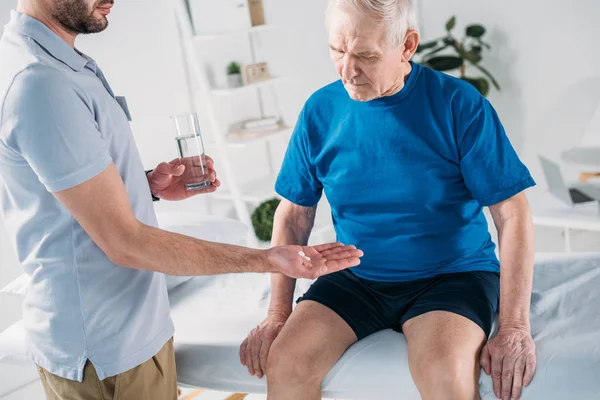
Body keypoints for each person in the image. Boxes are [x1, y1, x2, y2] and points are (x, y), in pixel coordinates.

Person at [0, 1, 364, 399]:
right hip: (104, 348)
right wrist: (264, 259)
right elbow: (125, 242)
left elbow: (69, 191)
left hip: (130, 328)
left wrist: (148, 186)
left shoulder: (62, 64)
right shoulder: (42, 82)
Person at [240, 1, 537, 399]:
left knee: (444, 374)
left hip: (452, 276)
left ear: (407, 46)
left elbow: (512, 213)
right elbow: (293, 217)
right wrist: (278, 314)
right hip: (355, 275)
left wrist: (516, 327)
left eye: (365, 55)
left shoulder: (458, 105)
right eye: (337, 50)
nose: (347, 69)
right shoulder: (320, 110)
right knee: (286, 361)